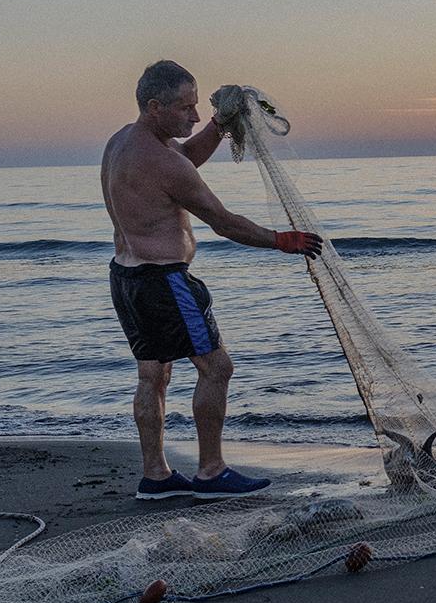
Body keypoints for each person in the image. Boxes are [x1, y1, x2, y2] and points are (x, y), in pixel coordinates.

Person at [101, 60, 323, 500]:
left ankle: (156, 477)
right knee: (217, 368)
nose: (196, 116)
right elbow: (224, 223)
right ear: (154, 105)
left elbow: (183, 159)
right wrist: (282, 240)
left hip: (126, 278)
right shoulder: (165, 162)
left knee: (153, 375)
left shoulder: (121, 143)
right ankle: (211, 471)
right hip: (165, 281)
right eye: (186, 108)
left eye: (198, 106)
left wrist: (222, 126)